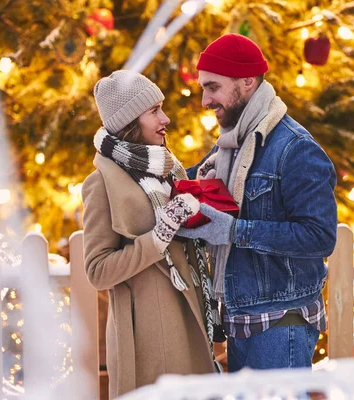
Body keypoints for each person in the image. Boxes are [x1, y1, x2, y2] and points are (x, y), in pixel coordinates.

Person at [179, 34, 338, 372]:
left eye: (213, 87)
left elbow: (319, 236)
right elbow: (186, 181)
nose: (205, 100)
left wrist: (235, 231)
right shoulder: (230, 146)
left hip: (280, 326)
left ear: (247, 82)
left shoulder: (295, 149)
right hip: (241, 322)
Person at [82, 70, 219, 398]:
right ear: (130, 120)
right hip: (149, 338)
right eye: (154, 111)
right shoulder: (101, 183)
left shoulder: (168, 168)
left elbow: (186, 243)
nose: (166, 118)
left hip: (188, 319)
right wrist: (158, 236)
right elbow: (98, 272)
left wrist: (202, 195)